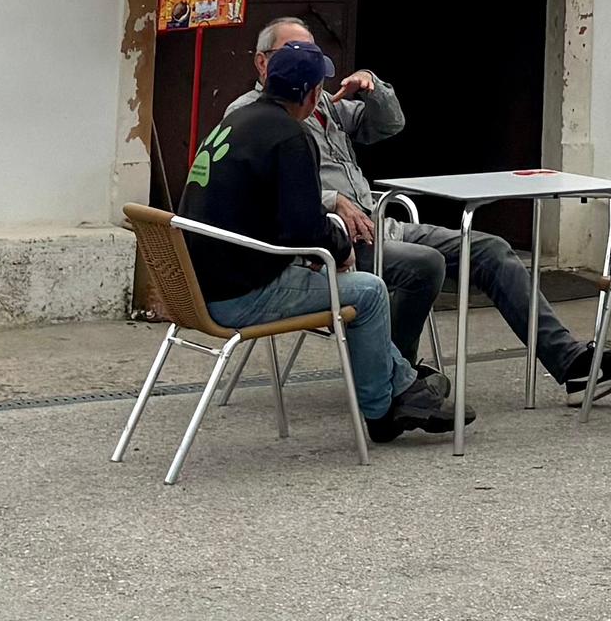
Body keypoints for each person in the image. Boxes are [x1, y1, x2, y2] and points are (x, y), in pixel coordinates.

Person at [239, 16, 611, 404]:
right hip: (333, 243)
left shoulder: (324, 104)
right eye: (294, 53)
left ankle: (571, 363)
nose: (309, 67)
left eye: (313, 54)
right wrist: (331, 201)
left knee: (490, 250)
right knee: (423, 265)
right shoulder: (251, 114)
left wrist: (374, 89)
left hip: (383, 223)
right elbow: (259, 191)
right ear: (262, 62)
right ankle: (392, 377)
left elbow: (390, 125)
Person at [180, 40, 450, 440]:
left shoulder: (236, 123)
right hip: (239, 295)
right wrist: (341, 249)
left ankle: (405, 385)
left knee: (350, 286)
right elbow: (302, 229)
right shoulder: (289, 137)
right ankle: (383, 411)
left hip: (196, 288)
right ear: (312, 94)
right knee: (369, 291)